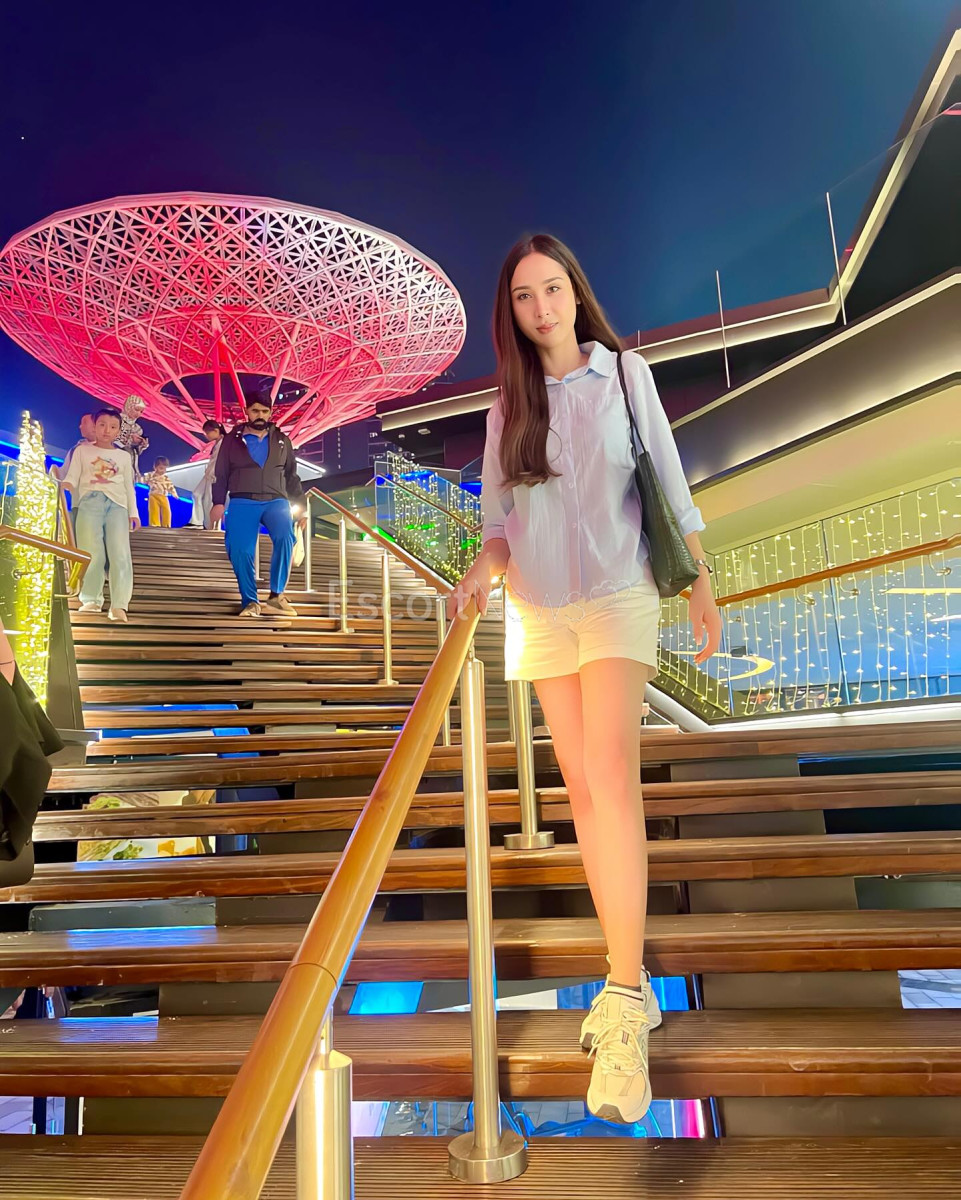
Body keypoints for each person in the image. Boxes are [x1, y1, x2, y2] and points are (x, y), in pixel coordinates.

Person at [448, 235, 722, 1125]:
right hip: (540, 610)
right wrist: (480, 569)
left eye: (552, 288)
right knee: (582, 790)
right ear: (511, 313)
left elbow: (668, 485)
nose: (541, 307)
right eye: (524, 296)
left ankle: (624, 993)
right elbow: (498, 522)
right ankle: (625, 977)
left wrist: (702, 586)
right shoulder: (505, 408)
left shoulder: (625, 376)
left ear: (575, 293)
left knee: (610, 777)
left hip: (617, 594)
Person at [210, 390, 303, 617]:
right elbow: (220, 473)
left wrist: (303, 509)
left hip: (276, 500)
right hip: (242, 500)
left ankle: (276, 595)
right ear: (247, 412)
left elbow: (292, 475)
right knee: (240, 549)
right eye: (255, 411)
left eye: (264, 411)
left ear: (270, 412)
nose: (260, 415)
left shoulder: (282, 441)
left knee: (285, 538)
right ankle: (250, 601)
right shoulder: (231, 441)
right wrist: (218, 502)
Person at [61, 408, 141, 622]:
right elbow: (72, 476)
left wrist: (133, 512)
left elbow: (129, 486)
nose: (107, 430)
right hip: (89, 503)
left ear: (118, 431)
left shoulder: (123, 456)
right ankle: (91, 599)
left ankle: (119, 605)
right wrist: (64, 485)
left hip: (117, 505)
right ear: (94, 427)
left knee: (120, 554)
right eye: (102, 425)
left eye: (113, 426)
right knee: (91, 552)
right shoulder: (82, 451)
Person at [193, 420, 226, 529]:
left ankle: (212, 526)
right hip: (209, 474)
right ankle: (197, 522)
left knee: (210, 500)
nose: (206, 436)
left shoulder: (225, 443)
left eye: (207, 432)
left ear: (216, 431)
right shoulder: (217, 443)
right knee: (197, 494)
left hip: (215, 475)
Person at [56, 412, 97, 481]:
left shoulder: (110, 449)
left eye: (84, 423)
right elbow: (63, 475)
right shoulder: (75, 449)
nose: (80, 426)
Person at [143, 456, 176, 527]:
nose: (163, 470)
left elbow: (170, 486)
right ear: (155, 467)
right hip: (153, 495)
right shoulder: (150, 475)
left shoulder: (166, 477)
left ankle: (166, 524)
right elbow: (143, 480)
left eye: (165, 469)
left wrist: (174, 493)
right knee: (154, 510)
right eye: (161, 468)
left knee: (166, 510)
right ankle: (154, 524)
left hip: (163, 495)